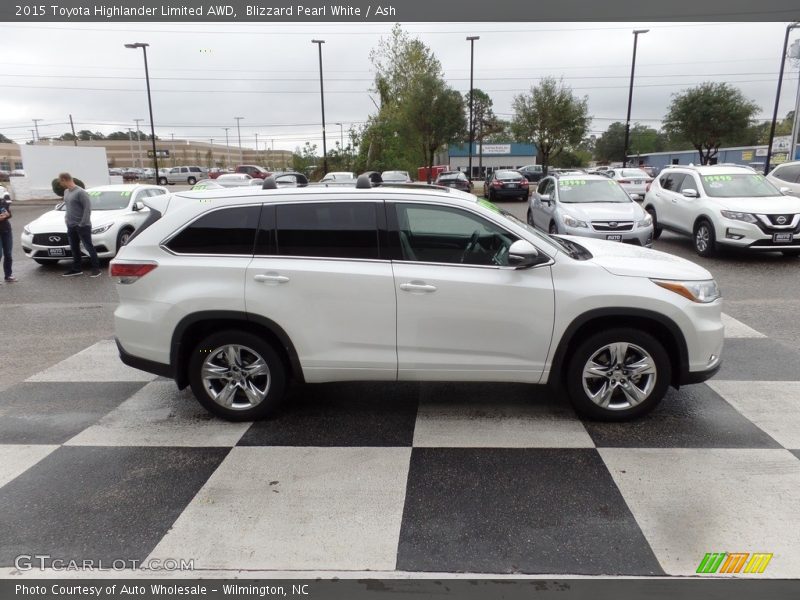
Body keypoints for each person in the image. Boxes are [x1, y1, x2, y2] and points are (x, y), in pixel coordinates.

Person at [59, 172, 100, 277]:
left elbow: (87, 209)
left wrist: (82, 223)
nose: (60, 184)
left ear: (64, 179)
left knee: (88, 246)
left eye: (61, 181)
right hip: (71, 225)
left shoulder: (81, 192)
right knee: (74, 247)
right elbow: (68, 207)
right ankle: (77, 269)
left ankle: (96, 269)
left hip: (82, 225)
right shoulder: (66, 192)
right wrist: (66, 218)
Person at [0, 187, 15, 282]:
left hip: (6, 230)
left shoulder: (2, 201)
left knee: (8, 254)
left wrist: (6, 215)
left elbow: (9, 213)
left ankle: (8, 275)